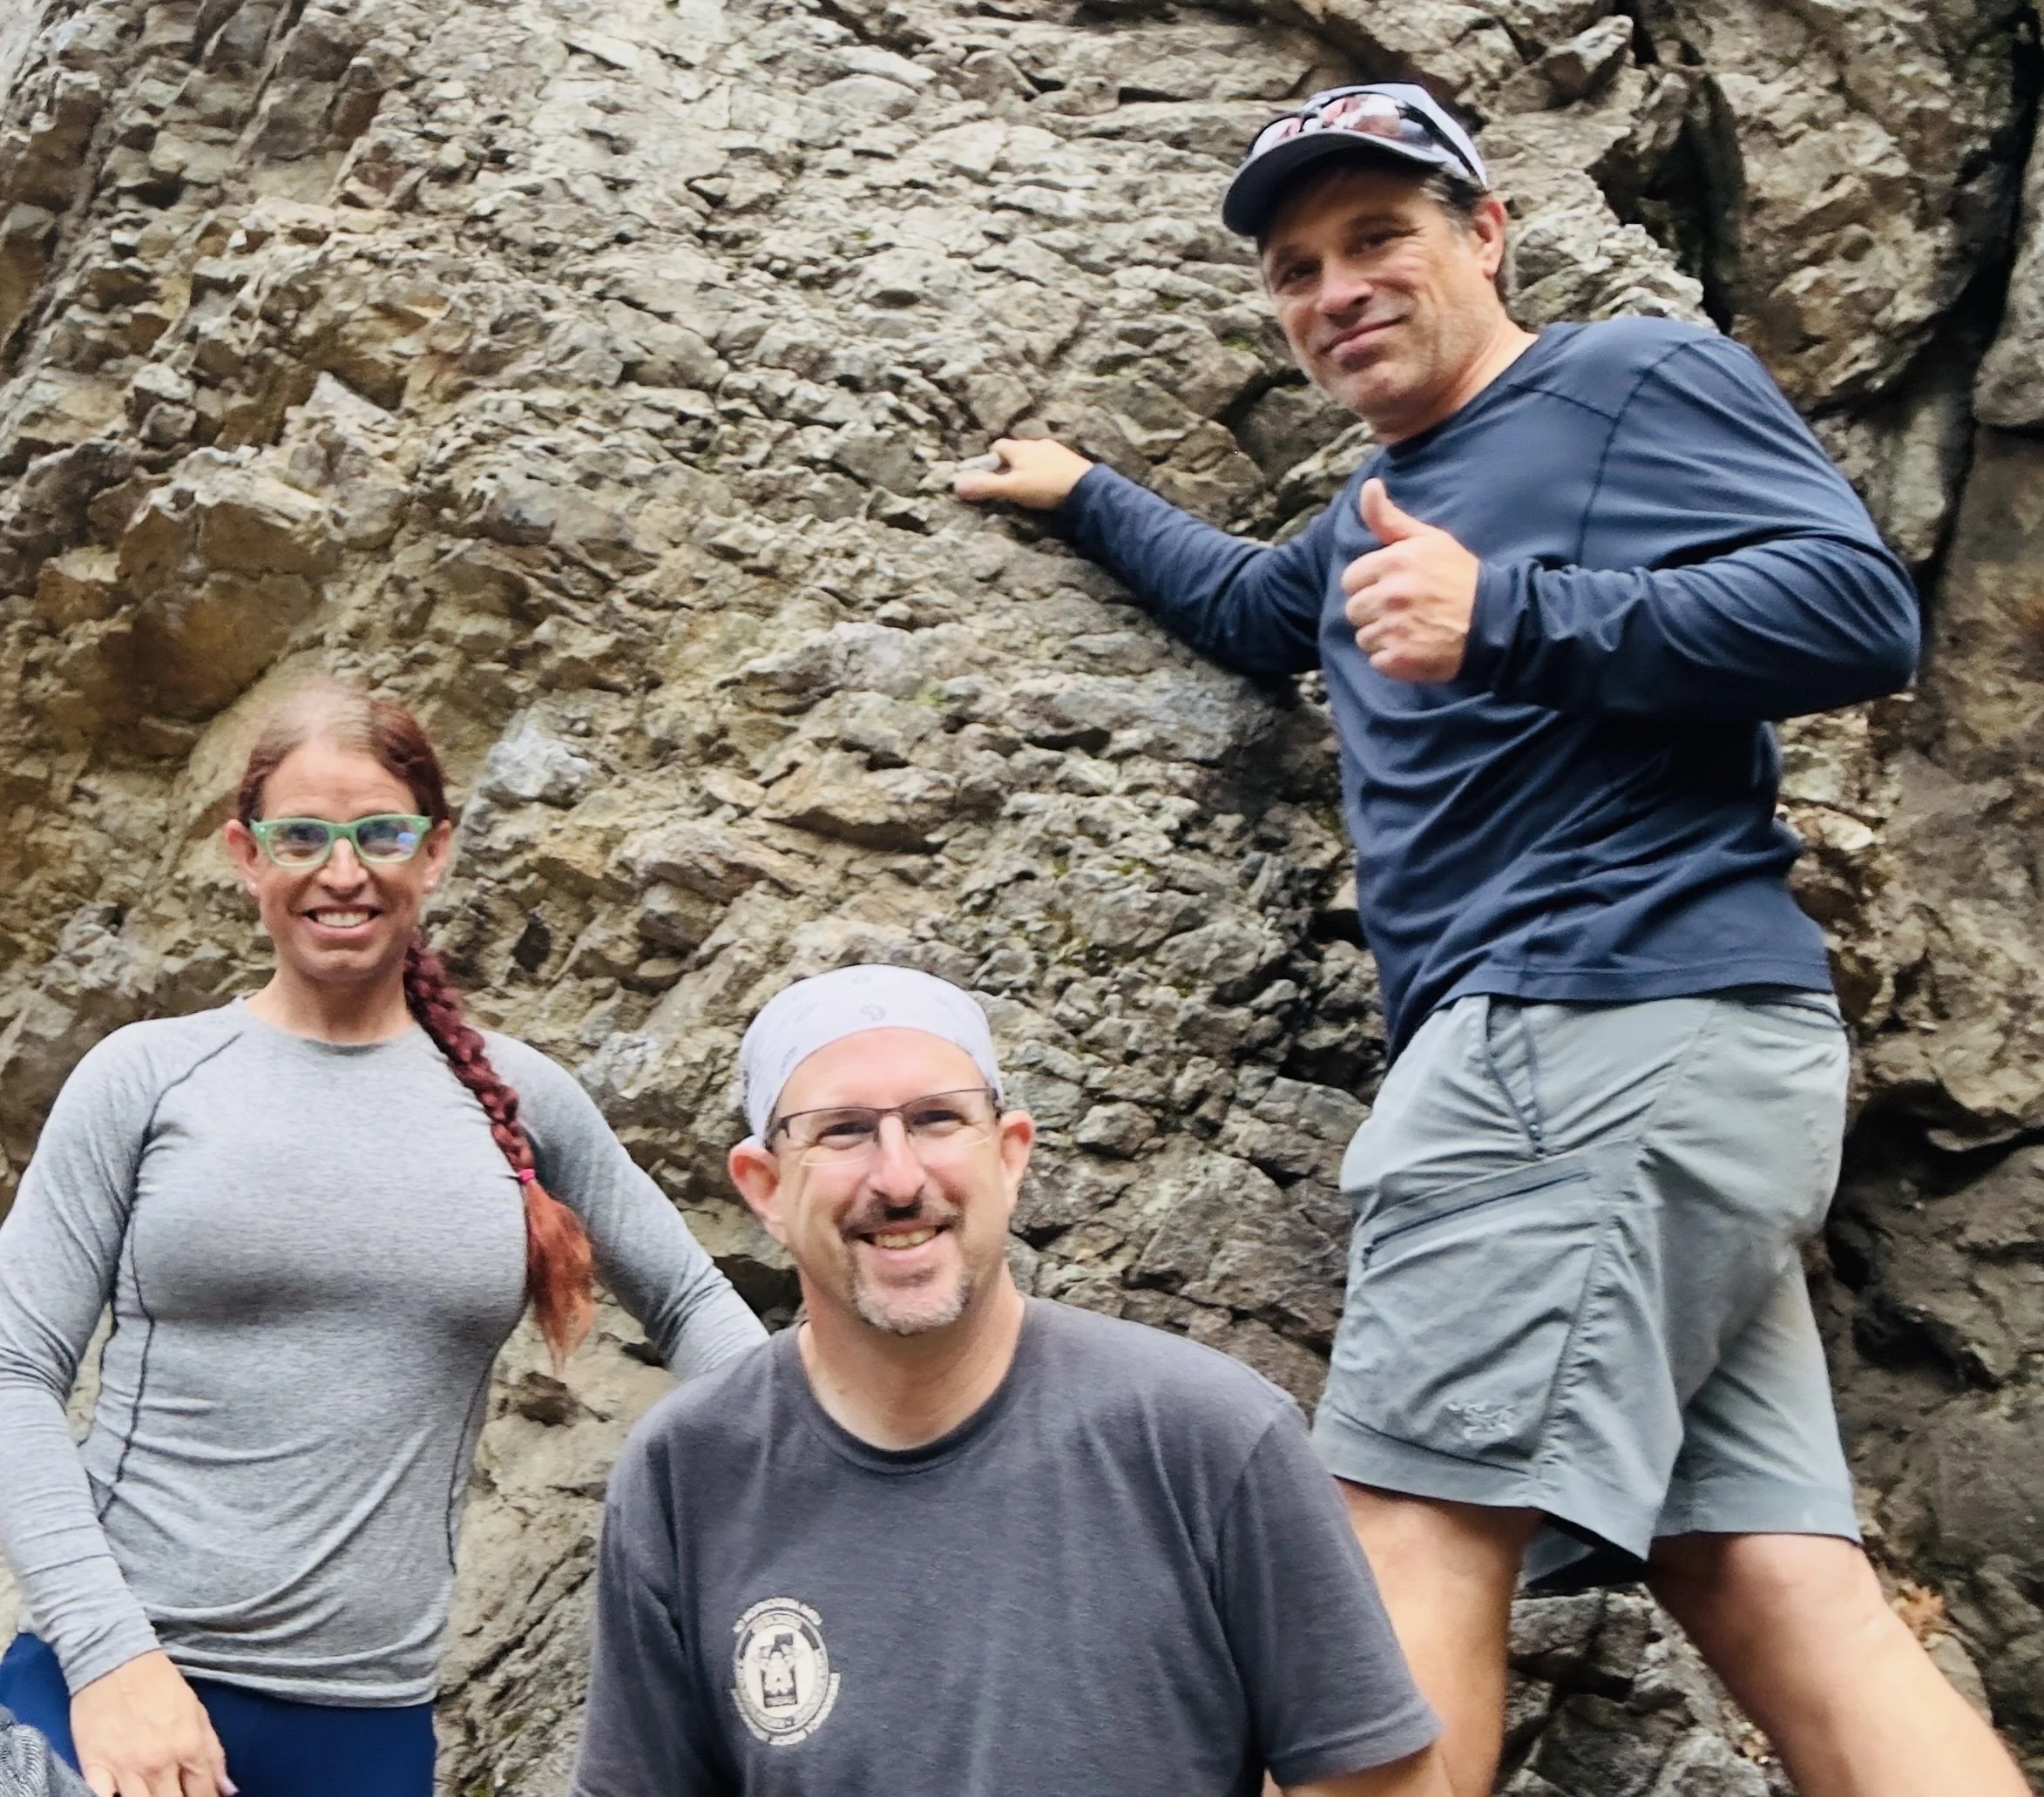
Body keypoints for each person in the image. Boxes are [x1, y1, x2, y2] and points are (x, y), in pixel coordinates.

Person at [954, 82, 2027, 1797]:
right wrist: (1085, 487)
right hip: (1669, 1072)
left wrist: (1509, 614)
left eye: (1378, 235)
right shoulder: (1383, 500)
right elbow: (1253, 611)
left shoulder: (1622, 381)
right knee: (1772, 1578)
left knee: (1400, 1529)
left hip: (1587, 1025)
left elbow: (1855, 609)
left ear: (1485, 233)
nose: (1336, 289)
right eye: (1297, 268)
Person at [0, 681, 767, 1797]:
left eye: (381, 833)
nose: (342, 870)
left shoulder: (522, 1098)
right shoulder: (148, 1075)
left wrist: (829, 1474)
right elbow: (12, 1367)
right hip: (111, 1704)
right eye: (300, 834)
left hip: (367, 1735)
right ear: (245, 854)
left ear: (437, 849)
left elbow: (698, 1308)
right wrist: (110, 1655)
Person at [571, 964, 1451, 1797]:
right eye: (842, 1129)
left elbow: (1378, 1782)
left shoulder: (1210, 1436)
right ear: (763, 1185)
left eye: (937, 1119)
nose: (899, 1176)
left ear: (1011, 1152)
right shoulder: (686, 1472)